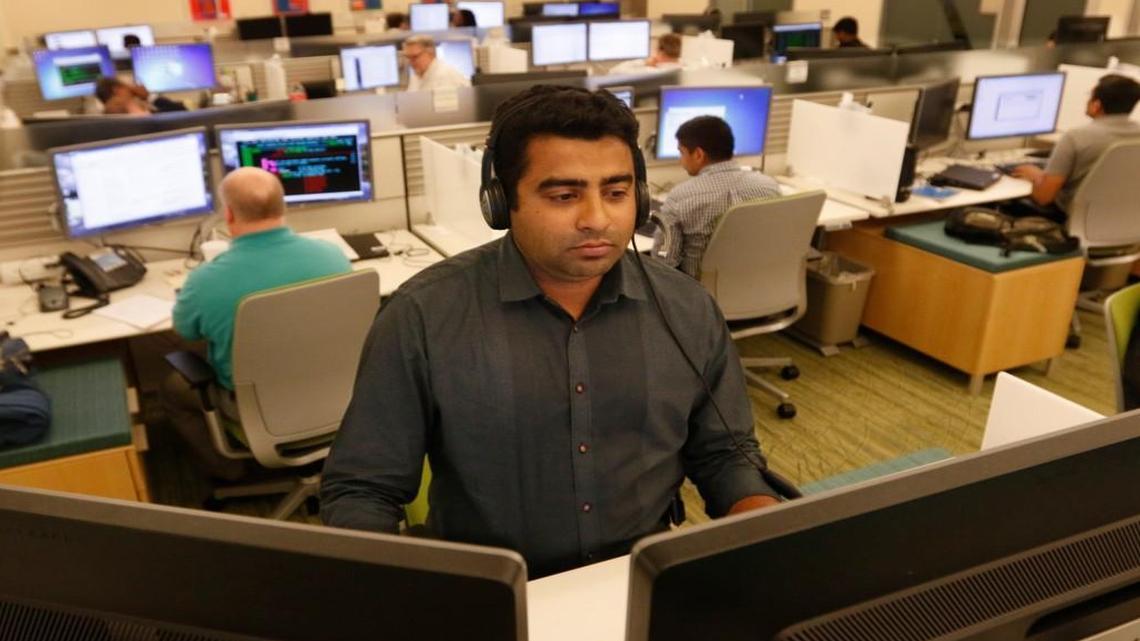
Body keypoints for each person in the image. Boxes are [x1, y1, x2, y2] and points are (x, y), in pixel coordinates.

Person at [320, 86, 781, 579]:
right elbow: (362, 490)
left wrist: (760, 526)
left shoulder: (686, 308)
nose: (597, 219)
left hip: (638, 581)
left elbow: (725, 454)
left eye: (617, 192)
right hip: (487, 592)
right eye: (564, 195)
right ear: (501, 201)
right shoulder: (422, 316)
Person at [163, 167, 351, 480]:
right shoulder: (333, 257)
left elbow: (185, 331)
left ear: (229, 214)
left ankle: (232, 473)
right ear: (284, 206)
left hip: (255, 410)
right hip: (339, 398)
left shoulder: (205, 281)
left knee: (172, 388)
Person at [651, 115, 781, 279]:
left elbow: (664, 261)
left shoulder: (680, 198)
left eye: (681, 152)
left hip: (701, 299)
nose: (680, 160)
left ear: (698, 154)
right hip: (764, 289)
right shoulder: (769, 187)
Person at [1008, 74, 1140, 223]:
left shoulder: (1076, 137)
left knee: (1003, 205)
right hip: (1125, 224)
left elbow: (1043, 197)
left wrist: (1036, 175)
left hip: (1071, 221)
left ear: (1096, 105)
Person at [402, 35, 471, 92]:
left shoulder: (444, 76)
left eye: (415, 57)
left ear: (430, 53)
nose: (410, 62)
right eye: (408, 57)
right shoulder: (417, 75)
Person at [94, 76, 186, 115]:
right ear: (117, 90)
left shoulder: (107, 115)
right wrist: (148, 96)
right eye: (127, 83)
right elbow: (181, 112)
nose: (133, 85)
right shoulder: (132, 110)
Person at [609, 33, 684, 74]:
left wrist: (644, 62)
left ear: (661, 51)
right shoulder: (686, 69)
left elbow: (614, 72)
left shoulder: (649, 73)